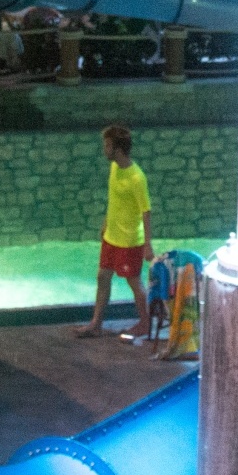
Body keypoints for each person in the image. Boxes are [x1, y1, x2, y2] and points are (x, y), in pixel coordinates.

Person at [77, 124, 151, 338]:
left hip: (129, 241)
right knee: (103, 276)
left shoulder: (137, 178)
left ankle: (145, 323)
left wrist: (148, 244)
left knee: (134, 281)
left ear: (117, 149)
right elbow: (115, 200)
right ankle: (96, 324)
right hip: (112, 237)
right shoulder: (114, 168)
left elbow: (146, 212)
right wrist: (105, 223)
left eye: (107, 145)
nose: (104, 149)